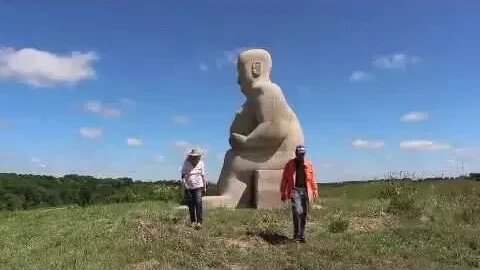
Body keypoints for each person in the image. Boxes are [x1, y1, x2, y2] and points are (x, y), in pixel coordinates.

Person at [280, 145, 318, 243]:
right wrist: (283, 192)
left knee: (304, 214)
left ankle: (302, 235)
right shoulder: (290, 164)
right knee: (297, 212)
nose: (301, 155)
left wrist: (315, 190)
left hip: (305, 191)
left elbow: (312, 179)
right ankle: (296, 234)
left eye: (302, 154)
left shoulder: (309, 165)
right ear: (296, 153)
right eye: (299, 154)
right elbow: (285, 179)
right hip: (295, 191)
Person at [181, 149, 207, 229]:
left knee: (198, 203)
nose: (194, 158)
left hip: (199, 186)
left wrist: (205, 186)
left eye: (196, 156)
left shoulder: (201, 163)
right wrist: (184, 184)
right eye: (193, 156)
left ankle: (199, 222)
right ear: (190, 156)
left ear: (198, 157)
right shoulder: (186, 163)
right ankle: (193, 221)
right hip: (188, 186)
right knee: (191, 205)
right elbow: (183, 174)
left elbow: (203, 175)